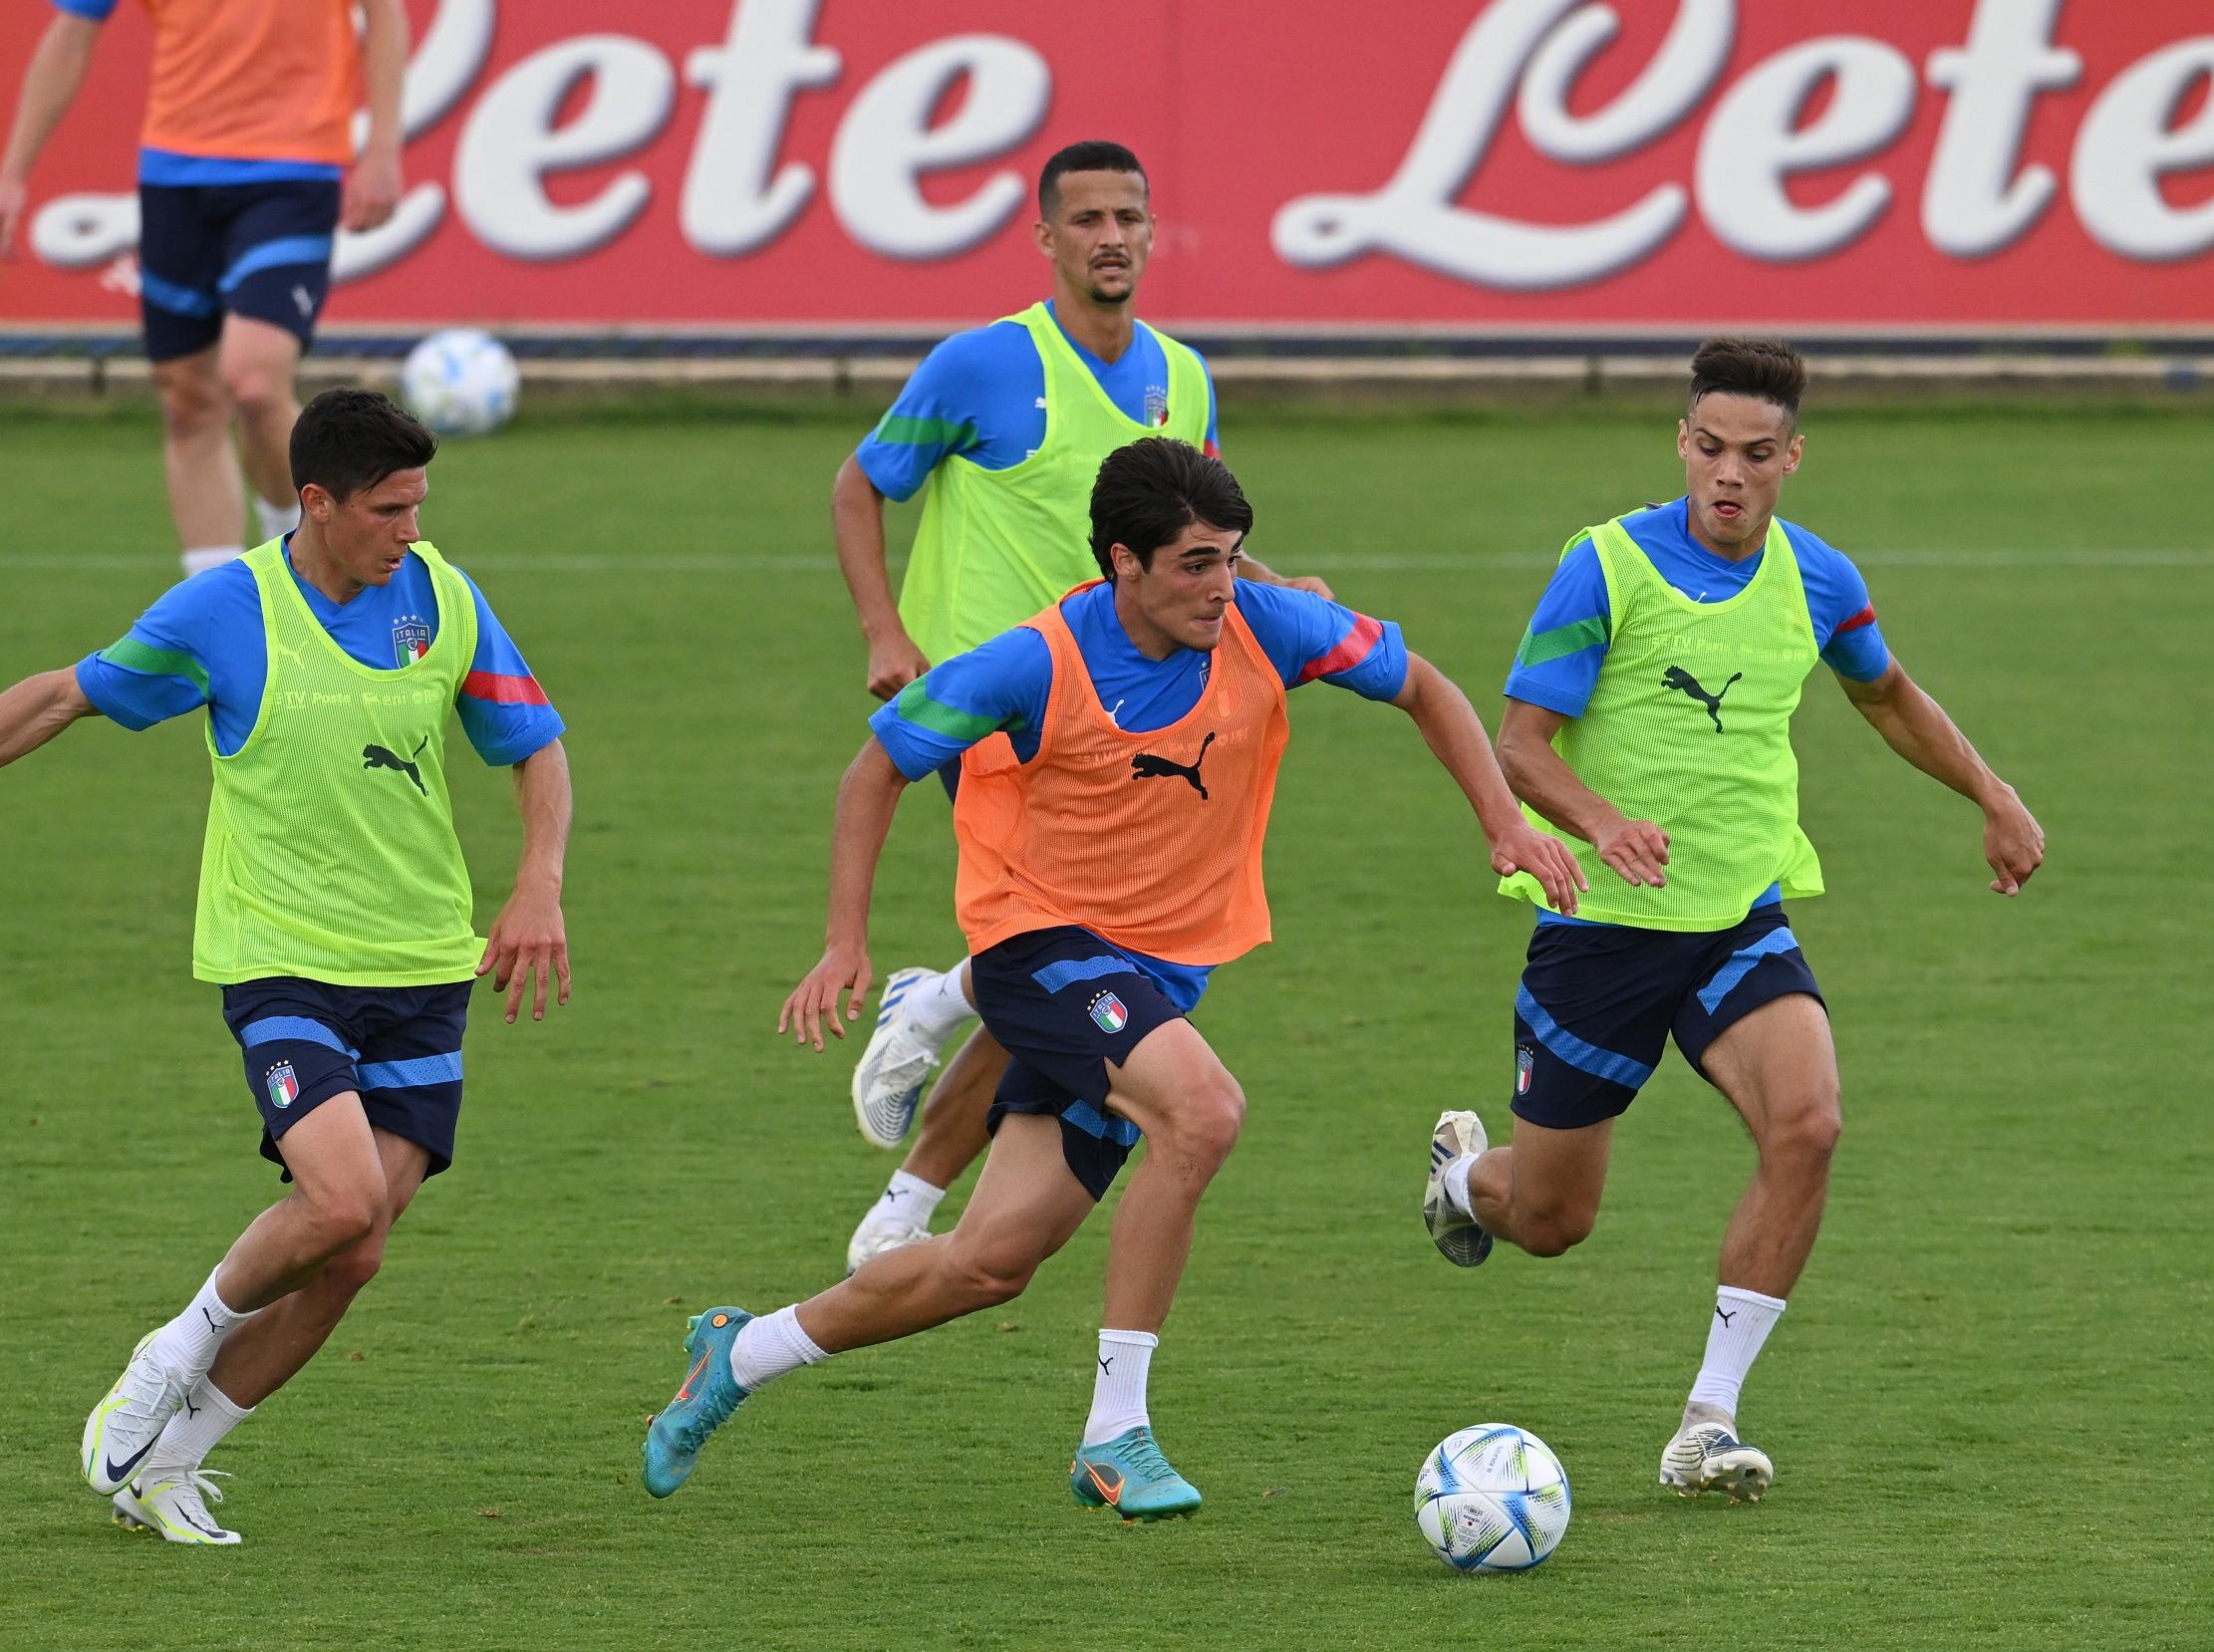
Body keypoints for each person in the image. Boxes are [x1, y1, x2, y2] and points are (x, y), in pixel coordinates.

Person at [644, 437, 1582, 1518]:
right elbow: (876, 768)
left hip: (1154, 974)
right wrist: (843, 940)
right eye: (1192, 563)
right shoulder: (1031, 662)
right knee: (1204, 1110)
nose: (1220, 585)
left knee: (988, 1263)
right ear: (1120, 563)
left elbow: (1425, 686)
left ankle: (739, 1352)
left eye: (1229, 557)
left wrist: (1502, 823)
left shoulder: (1264, 624)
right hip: (1033, 945)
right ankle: (1115, 1433)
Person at [0, 389, 572, 1546]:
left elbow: (533, 743)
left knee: (359, 1248)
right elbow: (58, 698)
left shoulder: (442, 595)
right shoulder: (229, 608)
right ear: (316, 502)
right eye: (389, 508)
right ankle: (171, 1350)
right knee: (335, 1198)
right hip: (281, 958)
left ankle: (172, 1460)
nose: (411, 530)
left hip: (423, 960)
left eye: (420, 504)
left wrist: (539, 881)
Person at [1418, 337, 2047, 1504]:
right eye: (1710, 448)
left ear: (1791, 458)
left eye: (1756, 454)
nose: (1729, 474)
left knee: (1807, 1123)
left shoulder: (1815, 578)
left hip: (1736, 922)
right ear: (1681, 444)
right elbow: (1517, 744)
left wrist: (1991, 792)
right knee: (1552, 1221)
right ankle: (1465, 1180)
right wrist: (1601, 822)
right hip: (1598, 932)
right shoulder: (1602, 566)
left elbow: (1885, 692)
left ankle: (1707, 1419)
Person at [830, 138, 1330, 1275]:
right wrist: (884, 632)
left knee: (1076, 969)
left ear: (1152, 232)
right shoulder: (980, 366)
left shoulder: (1182, 375)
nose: (1111, 236)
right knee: (1063, 954)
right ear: (1046, 237)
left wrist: (1270, 583)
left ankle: (919, 1120)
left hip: (1131, 711)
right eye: (1089, 218)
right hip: (1004, 709)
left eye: (1129, 216)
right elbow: (860, 482)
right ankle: (918, 1144)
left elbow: (1193, 528)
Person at [0, 0, 408, 577]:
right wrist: (12, 173)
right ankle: (218, 611)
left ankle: (300, 559)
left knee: (254, 380)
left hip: (293, 170)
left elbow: (384, 14)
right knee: (188, 404)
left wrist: (383, 146)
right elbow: (73, 31)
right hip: (174, 179)